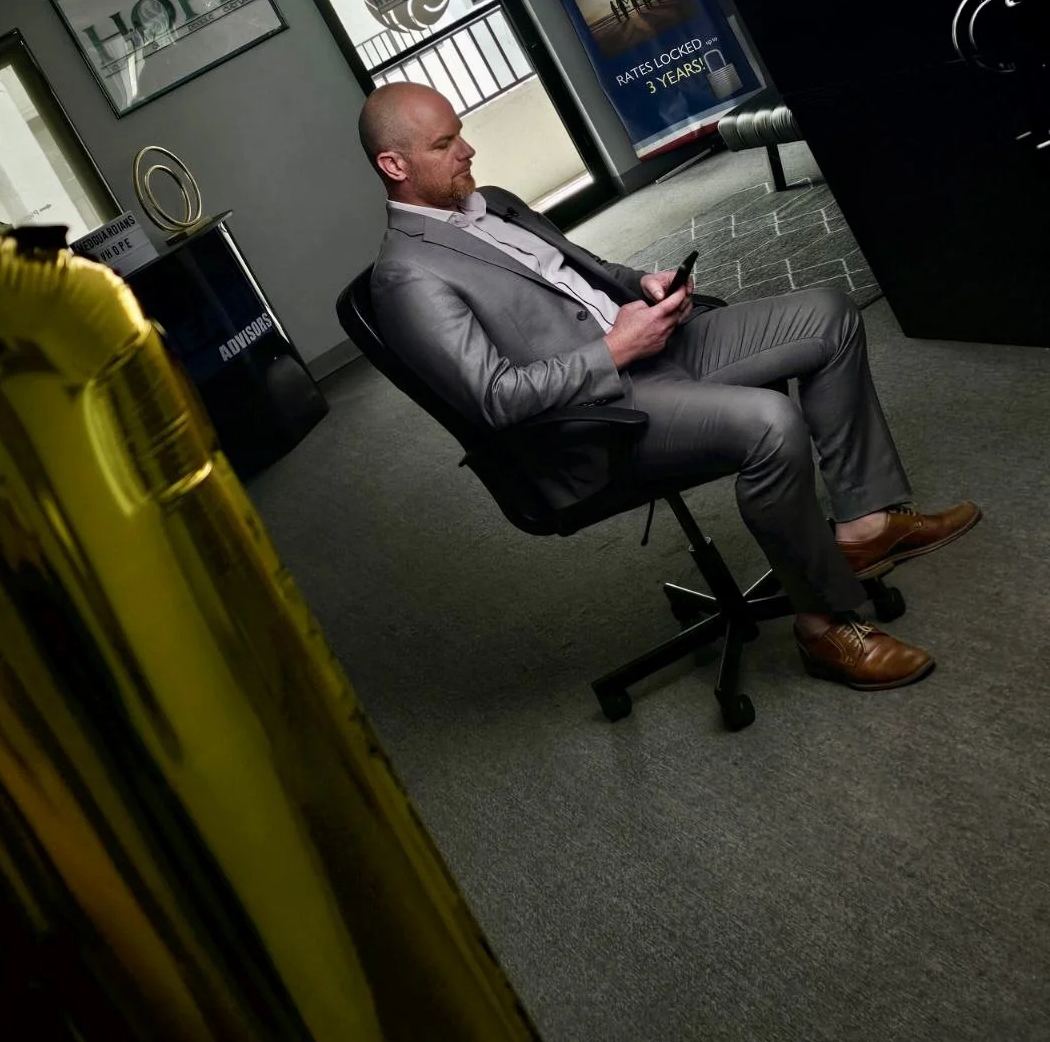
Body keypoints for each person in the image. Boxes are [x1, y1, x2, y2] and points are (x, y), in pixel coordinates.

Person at [358, 83, 980, 692]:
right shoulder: (407, 275)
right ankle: (821, 625)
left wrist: (643, 286)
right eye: (445, 144)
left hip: (651, 346)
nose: (467, 150)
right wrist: (614, 349)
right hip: (597, 413)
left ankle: (867, 526)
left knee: (829, 314)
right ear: (395, 164)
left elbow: (583, 275)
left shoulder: (491, 200)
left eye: (461, 133)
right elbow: (495, 399)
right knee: (771, 422)